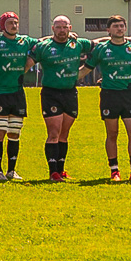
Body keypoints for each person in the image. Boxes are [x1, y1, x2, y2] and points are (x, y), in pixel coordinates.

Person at [86, 15, 131, 182]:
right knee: (112, 133)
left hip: (129, 95)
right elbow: (87, 68)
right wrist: (69, 79)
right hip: (109, 95)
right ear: (108, 30)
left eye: (122, 26)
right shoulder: (101, 49)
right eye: (115, 26)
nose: (119, 29)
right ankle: (114, 171)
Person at [30, 15, 91, 181]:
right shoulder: (44, 46)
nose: (62, 30)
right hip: (51, 93)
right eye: (58, 27)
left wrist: (126, 38)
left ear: (70, 28)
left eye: (65, 27)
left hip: (70, 92)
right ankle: (53, 172)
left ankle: (61, 170)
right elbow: (28, 59)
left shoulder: (77, 44)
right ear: (53, 29)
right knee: (54, 133)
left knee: (64, 134)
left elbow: (98, 44)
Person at [0, 12, 34, 180]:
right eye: (10, 22)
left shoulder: (25, 41)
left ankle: (11, 171)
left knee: (14, 133)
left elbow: (45, 42)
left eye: (16, 22)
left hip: (17, 93)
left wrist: (70, 35)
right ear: (3, 25)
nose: (14, 25)